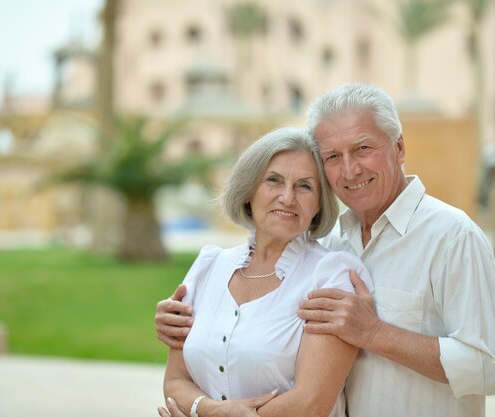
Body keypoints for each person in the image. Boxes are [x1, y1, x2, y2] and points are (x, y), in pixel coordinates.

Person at [156, 83, 495, 417]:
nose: (350, 169)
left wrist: (374, 332)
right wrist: (184, 323)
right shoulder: (334, 244)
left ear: (399, 148)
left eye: (363, 148)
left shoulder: (453, 237)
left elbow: (487, 367)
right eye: (333, 156)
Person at [158, 126, 373, 417]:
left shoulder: (331, 276)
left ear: (319, 203)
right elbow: (175, 380)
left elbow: (311, 403)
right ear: (248, 191)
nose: (288, 197)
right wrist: (209, 410)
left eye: (305, 186)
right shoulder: (208, 267)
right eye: (274, 180)